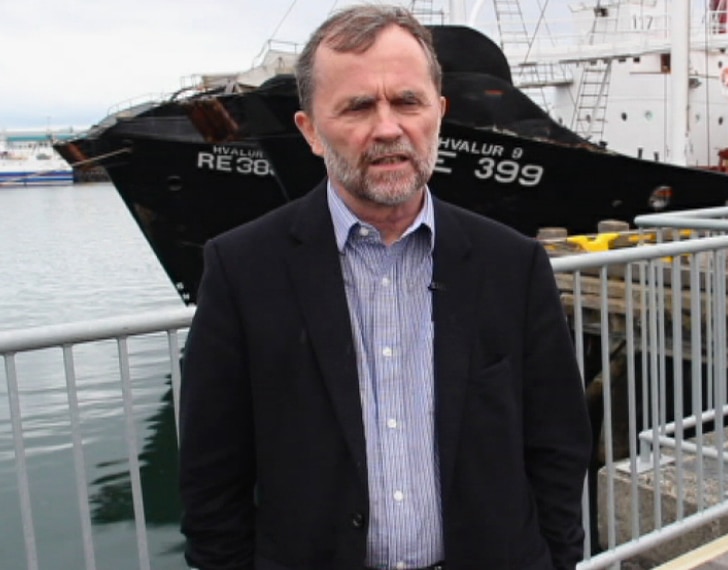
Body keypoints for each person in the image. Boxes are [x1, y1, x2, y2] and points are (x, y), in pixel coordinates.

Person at [178, 5, 592, 570]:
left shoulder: (512, 265)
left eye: (407, 101)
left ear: (439, 115)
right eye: (357, 106)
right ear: (311, 131)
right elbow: (212, 477)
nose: (388, 127)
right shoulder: (242, 269)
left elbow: (559, 446)